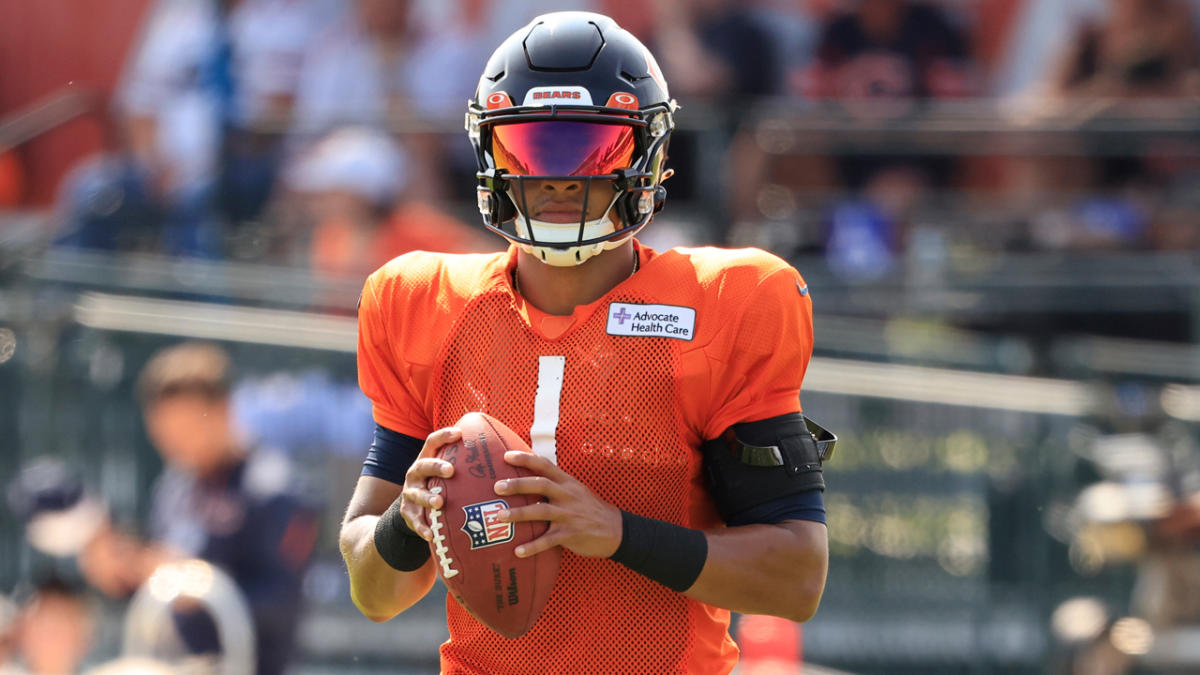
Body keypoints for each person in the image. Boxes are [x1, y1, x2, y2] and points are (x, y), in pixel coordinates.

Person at [339, 11, 832, 674]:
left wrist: (618, 533)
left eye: (593, 149)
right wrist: (408, 520)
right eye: (532, 150)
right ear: (490, 155)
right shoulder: (421, 305)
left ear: (649, 156)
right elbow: (375, 593)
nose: (561, 177)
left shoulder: (724, 305)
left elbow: (795, 576)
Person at [79, 342, 319, 675]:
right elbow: (163, 578)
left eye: (187, 429)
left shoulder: (276, 490)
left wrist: (198, 587)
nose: (176, 443)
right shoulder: (175, 486)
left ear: (224, 410)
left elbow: (281, 602)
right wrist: (123, 573)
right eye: (164, 434)